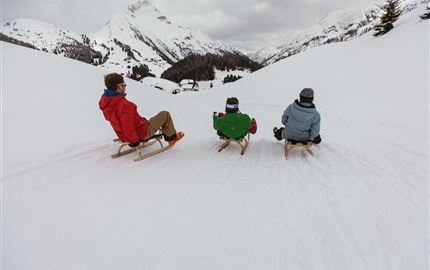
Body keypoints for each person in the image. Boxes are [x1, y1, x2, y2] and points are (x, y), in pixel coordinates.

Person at [99, 73, 184, 147]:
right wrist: (134, 141)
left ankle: (142, 130)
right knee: (165, 114)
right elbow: (127, 126)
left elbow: (121, 122)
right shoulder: (125, 105)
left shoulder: (105, 102)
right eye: (124, 85)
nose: (125, 87)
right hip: (140, 134)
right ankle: (172, 138)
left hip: (122, 135)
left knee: (149, 120)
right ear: (119, 86)